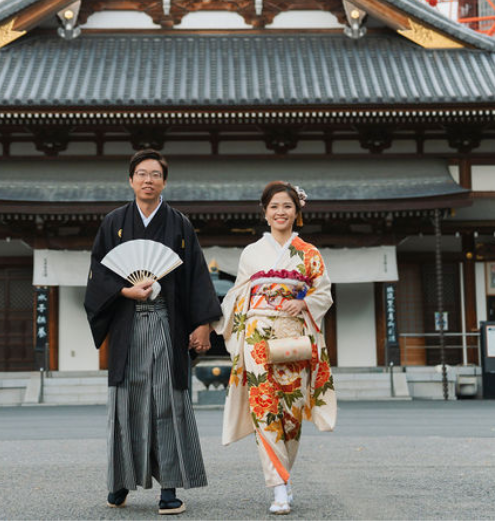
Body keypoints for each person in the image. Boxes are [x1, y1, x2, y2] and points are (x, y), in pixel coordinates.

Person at [84, 149, 222, 516]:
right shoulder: (113, 222)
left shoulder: (179, 224)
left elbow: (196, 276)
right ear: (130, 180)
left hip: (164, 323)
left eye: (155, 174)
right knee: (125, 403)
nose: (148, 180)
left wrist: (204, 322)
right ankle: (119, 482)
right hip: (127, 325)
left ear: (164, 180)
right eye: (141, 173)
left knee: (167, 403)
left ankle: (170, 489)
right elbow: (98, 274)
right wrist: (124, 290)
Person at [214, 181, 337, 515]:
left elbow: (324, 292)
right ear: (264, 212)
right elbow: (237, 295)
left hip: (294, 335)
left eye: (287, 206)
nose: (280, 212)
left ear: (297, 212)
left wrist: (305, 302)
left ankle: (285, 477)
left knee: (291, 411)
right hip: (257, 337)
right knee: (264, 409)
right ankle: (278, 488)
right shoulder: (252, 252)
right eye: (274, 207)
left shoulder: (309, 252)